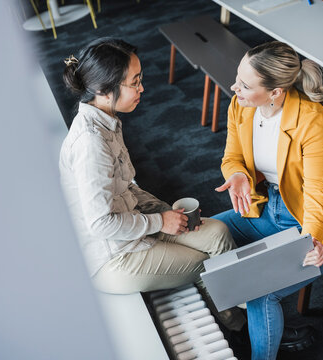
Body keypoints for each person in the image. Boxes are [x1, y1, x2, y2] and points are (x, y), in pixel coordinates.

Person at [59, 37, 244, 330]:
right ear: (104, 90)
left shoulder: (107, 119)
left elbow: (128, 187)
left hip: (134, 224)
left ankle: (242, 316)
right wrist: (160, 221)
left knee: (218, 233)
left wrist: (168, 214)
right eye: (135, 82)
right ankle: (243, 325)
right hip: (112, 256)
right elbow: (101, 224)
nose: (142, 88)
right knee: (208, 263)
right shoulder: (91, 143)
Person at [212, 41, 323, 360]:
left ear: (276, 92)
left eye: (245, 84)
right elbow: (231, 156)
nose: (234, 88)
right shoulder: (239, 106)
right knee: (207, 232)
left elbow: (317, 191)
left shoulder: (312, 120)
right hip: (265, 207)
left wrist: (309, 240)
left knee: (261, 293)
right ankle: (248, 326)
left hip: (308, 222)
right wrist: (239, 174)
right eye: (237, 78)